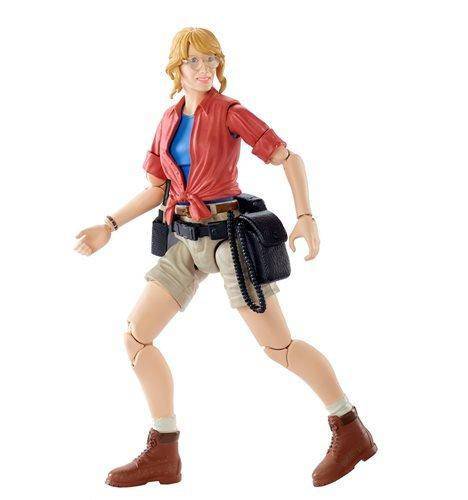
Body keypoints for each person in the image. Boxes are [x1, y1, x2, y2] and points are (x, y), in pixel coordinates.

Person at [74, 27, 377, 488]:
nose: (206, 69)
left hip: (229, 238)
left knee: (279, 347)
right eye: (194, 61)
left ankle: (350, 429)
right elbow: (157, 188)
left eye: (212, 59)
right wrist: (109, 226)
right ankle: (164, 450)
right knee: (136, 337)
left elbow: (289, 158)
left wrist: (306, 216)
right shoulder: (169, 119)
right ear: (177, 68)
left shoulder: (230, 112)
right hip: (185, 239)